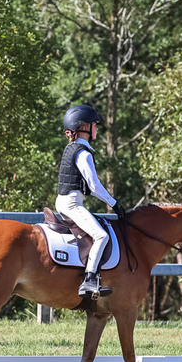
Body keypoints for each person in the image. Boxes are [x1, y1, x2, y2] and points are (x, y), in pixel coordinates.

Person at [56, 104, 126, 298]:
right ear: (84, 127)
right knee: (101, 236)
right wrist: (114, 203)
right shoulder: (84, 154)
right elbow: (94, 187)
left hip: (63, 201)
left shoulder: (71, 148)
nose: (96, 128)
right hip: (72, 204)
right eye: (94, 125)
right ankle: (89, 280)